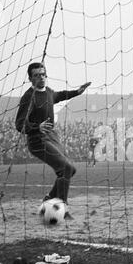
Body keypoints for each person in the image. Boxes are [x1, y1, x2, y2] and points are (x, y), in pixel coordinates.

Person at [15, 62, 91, 217]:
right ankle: (62, 209)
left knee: (70, 169)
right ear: (30, 78)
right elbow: (20, 124)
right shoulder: (29, 97)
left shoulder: (48, 92)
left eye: (43, 74)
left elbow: (59, 96)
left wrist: (77, 92)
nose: (41, 78)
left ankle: (49, 199)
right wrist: (37, 127)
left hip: (52, 137)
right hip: (37, 140)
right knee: (65, 169)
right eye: (36, 75)